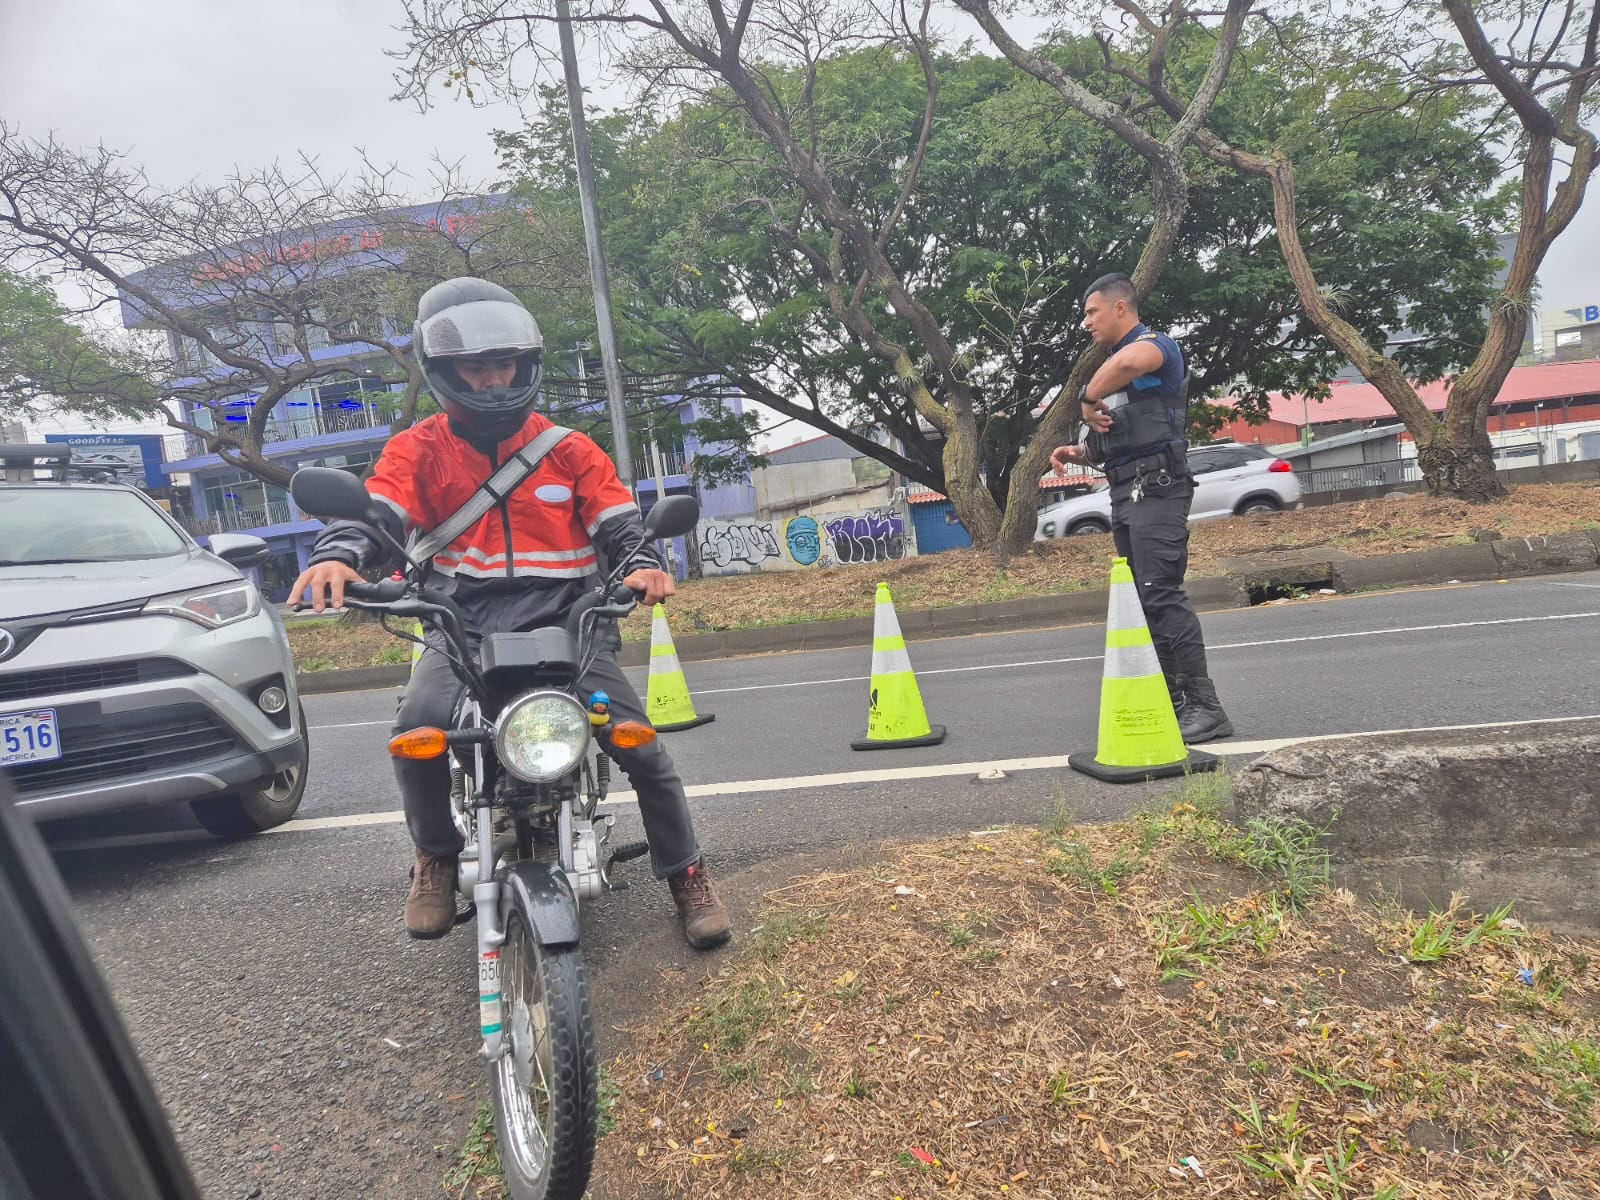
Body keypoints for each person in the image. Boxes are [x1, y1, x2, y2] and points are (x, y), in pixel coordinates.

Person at [289, 277, 732, 949]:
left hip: (570, 620)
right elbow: (380, 514)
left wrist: (642, 564)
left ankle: (688, 876)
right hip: (460, 624)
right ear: (444, 372)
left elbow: (620, 525)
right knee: (417, 730)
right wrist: (338, 554)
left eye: (504, 364)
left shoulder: (571, 449)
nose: (494, 380)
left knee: (640, 744)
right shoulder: (419, 450)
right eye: (477, 367)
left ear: (525, 365)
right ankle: (435, 857)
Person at [1050, 273, 1232, 743]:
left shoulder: (1155, 347)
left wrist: (1086, 397)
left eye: (1092, 312)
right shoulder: (1115, 372)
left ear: (1120, 308)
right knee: (1145, 598)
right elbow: (1123, 434)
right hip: (1127, 490)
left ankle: (1207, 707)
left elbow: (1132, 361)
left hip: (1158, 488)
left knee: (1161, 592)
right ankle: (1174, 702)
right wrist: (1080, 452)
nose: (1086, 322)